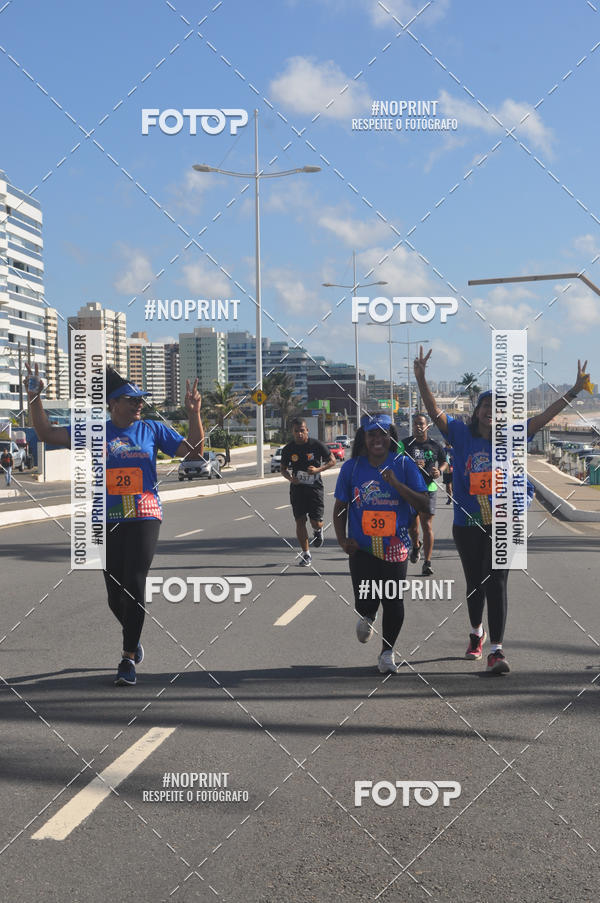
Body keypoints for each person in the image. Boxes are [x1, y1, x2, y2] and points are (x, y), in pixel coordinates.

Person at [26, 362, 204, 686]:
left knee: (135, 584)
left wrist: (194, 413)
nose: (139, 404)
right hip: (104, 516)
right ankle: (133, 639)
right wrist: (35, 398)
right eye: (132, 399)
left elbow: (194, 451)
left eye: (141, 400)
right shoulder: (96, 431)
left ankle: (126, 659)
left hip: (143, 512)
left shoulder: (151, 429)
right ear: (113, 404)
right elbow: (46, 433)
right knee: (114, 594)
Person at [414, 347, 590, 674]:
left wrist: (575, 391)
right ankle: (475, 633)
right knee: (475, 584)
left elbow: (545, 416)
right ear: (478, 412)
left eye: (496, 409)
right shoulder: (461, 435)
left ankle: (496, 649)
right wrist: (421, 378)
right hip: (467, 524)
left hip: (503, 523)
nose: (490, 412)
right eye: (485, 406)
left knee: (497, 583)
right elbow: (433, 410)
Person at [333, 413, 429, 673]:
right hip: (362, 548)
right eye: (371, 434)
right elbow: (341, 507)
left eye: (382, 434)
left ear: (391, 438)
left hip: (395, 546)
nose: (377, 439)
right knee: (365, 600)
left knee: (393, 599)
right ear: (364, 438)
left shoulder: (404, 465)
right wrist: (342, 539)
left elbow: (424, 504)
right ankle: (368, 613)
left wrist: (397, 484)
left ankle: (387, 652)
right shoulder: (351, 468)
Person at [280, 418, 336, 566]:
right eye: (296, 431)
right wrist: (291, 479)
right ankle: (306, 554)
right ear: (292, 432)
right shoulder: (288, 449)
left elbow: (332, 460)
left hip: (315, 488)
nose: (299, 433)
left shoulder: (316, 445)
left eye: (302, 430)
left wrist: (318, 469)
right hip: (297, 489)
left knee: (316, 522)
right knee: (300, 521)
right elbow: (283, 469)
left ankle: (318, 531)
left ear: (307, 430)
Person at [405, 413, 448, 575]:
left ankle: (427, 562)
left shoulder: (435, 445)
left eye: (421, 423)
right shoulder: (405, 444)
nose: (418, 426)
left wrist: (439, 471)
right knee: (412, 528)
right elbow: (395, 460)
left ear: (427, 426)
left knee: (427, 525)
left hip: (428, 489)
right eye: (415, 423)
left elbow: (444, 461)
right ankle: (416, 545)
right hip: (410, 490)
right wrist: (411, 463)